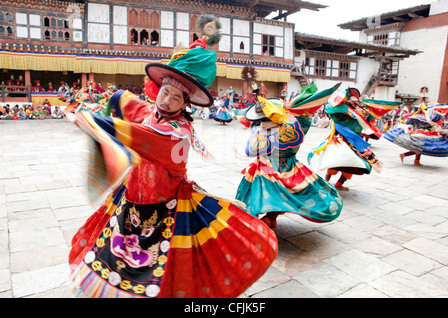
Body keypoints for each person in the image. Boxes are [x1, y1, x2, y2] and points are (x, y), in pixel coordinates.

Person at [68, 26, 277, 298]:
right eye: (165, 92)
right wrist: (110, 103)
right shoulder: (150, 112)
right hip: (131, 201)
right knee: (116, 262)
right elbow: (125, 100)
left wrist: (92, 121)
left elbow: (147, 136)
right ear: (158, 90)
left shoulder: (176, 132)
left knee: (165, 268)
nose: (167, 100)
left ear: (185, 104)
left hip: (165, 208)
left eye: (176, 97)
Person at [236, 84, 343, 230]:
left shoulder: (258, 130)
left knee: (267, 194)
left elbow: (252, 143)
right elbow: (305, 122)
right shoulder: (292, 127)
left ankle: (269, 219)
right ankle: (271, 218)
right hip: (287, 166)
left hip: (264, 168)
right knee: (286, 194)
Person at [308, 88, 383, 191]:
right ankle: (327, 180)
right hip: (341, 140)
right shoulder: (340, 110)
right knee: (336, 160)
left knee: (353, 163)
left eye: (356, 102)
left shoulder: (358, 111)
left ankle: (339, 183)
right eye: (353, 102)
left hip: (354, 142)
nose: (355, 104)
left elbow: (366, 119)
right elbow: (331, 109)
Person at [385, 102, 448, 166]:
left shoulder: (418, 116)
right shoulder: (426, 117)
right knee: (419, 148)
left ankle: (412, 159)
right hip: (422, 134)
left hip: (419, 133)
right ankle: (410, 158)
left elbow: (409, 122)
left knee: (419, 148)